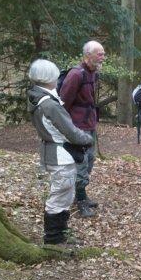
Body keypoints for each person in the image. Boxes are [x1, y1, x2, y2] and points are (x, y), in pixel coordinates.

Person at [27, 60, 94, 246]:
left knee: (64, 195)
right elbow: (70, 131)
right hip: (60, 154)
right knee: (60, 196)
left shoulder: (38, 97)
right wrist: (87, 139)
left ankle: (61, 235)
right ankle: (54, 239)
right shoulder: (49, 104)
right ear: (50, 78)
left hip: (55, 152)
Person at [58, 40, 105, 218]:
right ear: (87, 55)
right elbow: (63, 103)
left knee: (90, 160)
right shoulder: (76, 75)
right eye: (99, 54)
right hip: (77, 128)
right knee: (80, 164)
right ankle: (80, 202)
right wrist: (68, 128)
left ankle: (80, 195)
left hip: (89, 126)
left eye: (103, 54)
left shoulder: (93, 74)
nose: (102, 57)